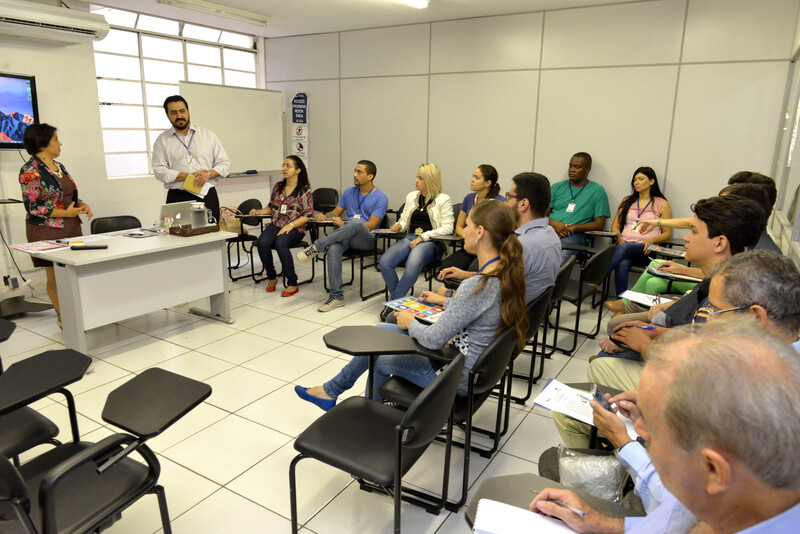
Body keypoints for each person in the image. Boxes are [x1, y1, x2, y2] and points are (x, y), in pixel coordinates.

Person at [531, 319, 800, 534]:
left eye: (654, 427)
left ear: (713, 469)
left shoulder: (706, 494)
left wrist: (624, 442)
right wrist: (598, 523)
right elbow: (672, 517)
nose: (640, 430)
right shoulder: (715, 495)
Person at [557, 249, 800, 451]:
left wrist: (625, 444)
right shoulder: (762, 356)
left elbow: (684, 481)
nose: (709, 320)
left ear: (756, 317)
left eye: (716, 312)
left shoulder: (767, 398)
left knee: (573, 413)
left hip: (671, 475)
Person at [294, 200, 527, 409]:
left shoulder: (476, 286)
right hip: (468, 365)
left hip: (454, 375)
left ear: (480, 232)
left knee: (377, 357)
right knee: (381, 331)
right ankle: (332, 391)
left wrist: (410, 322)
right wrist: (445, 301)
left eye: (467, 225)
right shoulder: (504, 274)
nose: (463, 230)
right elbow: (476, 311)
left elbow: (434, 339)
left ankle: (370, 416)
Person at [438, 172, 561, 305]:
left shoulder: (521, 246)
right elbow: (498, 278)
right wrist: (465, 274)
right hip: (527, 311)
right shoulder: (551, 235)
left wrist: (448, 296)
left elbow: (486, 300)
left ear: (523, 204)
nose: (506, 203)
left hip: (505, 313)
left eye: (509, 197)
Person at [19, 123, 93, 329]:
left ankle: (80, 312)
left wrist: (81, 204)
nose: (60, 144)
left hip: (70, 226)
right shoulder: (29, 171)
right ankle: (64, 317)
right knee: (54, 273)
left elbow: (66, 196)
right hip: (45, 229)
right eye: (55, 140)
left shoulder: (59, 166)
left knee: (73, 271)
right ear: (42, 144)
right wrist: (66, 213)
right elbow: (33, 207)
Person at [296, 160, 388, 312]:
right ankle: (337, 297)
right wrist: (324, 216)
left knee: (355, 223)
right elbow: (335, 212)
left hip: (366, 239)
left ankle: (318, 246)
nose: (354, 174)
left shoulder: (381, 197)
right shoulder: (349, 192)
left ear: (370, 176)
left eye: (359, 172)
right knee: (333, 248)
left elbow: (372, 224)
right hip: (346, 235)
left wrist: (345, 224)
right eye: (354, 171)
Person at [378, 163, 453, 316]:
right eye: (417, 177)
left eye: (421, 178)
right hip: (411, 237)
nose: (416, 180)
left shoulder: (443, 199)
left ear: (430, 180)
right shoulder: (412, 196)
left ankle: (393, 304)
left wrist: (423, 237)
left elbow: (448, 228)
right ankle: (399, 301)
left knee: (412, 264)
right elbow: (405, 219)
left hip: (433, 242)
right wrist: (399, 225)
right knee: (385, 262)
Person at [152, 95, 230, 222]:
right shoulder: (162, 140)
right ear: (167, 115)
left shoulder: (208, 135)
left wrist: (208, 174)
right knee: (175, 233)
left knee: (210, 233)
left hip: (206, 195)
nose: (179, 116)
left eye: (182, 111)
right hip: (177, 197)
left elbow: (224, 164)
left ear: (188, 111)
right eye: (174, 113)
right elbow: (159, 171)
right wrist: (189, 176)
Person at [249, 156, 313, 297]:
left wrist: (291, 225)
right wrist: (259, 212)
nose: (284, 168)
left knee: (280, 243)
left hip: (296, 227)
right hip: (277, 224)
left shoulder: (305, 190)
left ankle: (292, 282)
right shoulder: (278, 186)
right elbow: (271, 207)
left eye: (288, 166)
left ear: (298, 170)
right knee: (262, 242)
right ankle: (272, 277)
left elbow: (308, 215)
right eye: (283, 165)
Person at [606, 167, 672, 299]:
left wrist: (652, 241)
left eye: (641, 179)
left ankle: (599, 276)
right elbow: (615, 226)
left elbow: (667, 233)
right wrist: (619, 238)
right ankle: (621, 301)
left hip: (646, 249)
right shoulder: (627, 201)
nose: (636, 182)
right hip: (624, 246)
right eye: (635, 179)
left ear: (651, 181)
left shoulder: (662, 204)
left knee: (625, 247)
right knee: (622, 263)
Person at [438, 164, 504, 272]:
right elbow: (459, 226)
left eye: (476, 178)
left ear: (487, 183)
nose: (472, 180)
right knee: (445, 268)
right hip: (469, 247)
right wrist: (469, 239)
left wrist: (477, 245)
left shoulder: (499, 202)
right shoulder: (468, 198)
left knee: (473, 269)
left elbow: (499, 233)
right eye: (473, 176)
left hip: (488, 250)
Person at [546, 152, 610, 260]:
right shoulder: (556, 187)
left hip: (574, 236)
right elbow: (540, 214)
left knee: (562, 256)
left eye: (577, 167)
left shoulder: (597, 191)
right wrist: (554, 224)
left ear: (588, 169)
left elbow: (599, 224)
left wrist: (573, 228)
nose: (572, 170)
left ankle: (555, 272)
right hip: (550, 230)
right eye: (570, 166)